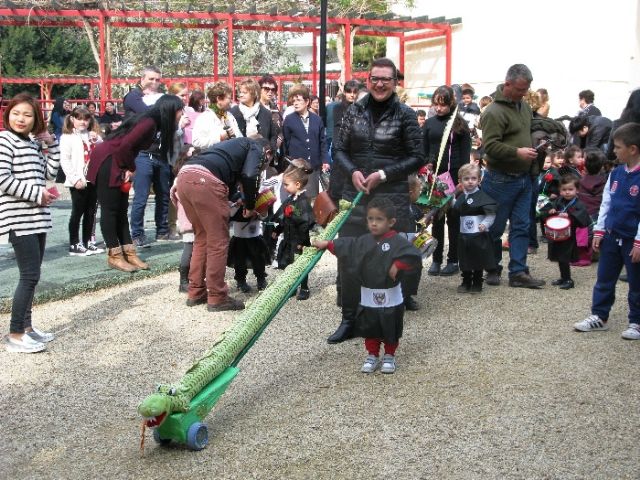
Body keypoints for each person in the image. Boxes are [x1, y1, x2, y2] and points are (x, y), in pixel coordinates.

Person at [330, 57, 425, 344]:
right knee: (348, 261)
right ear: (368, 80)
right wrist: (353, 171)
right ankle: (349, 320)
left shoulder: (406, 115)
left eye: (387, 79)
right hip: (355, 196)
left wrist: (383, 174)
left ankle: (383, 322)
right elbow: (339, 149)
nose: (380, 83)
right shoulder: (353, 110)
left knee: (386, 263)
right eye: (375, 78)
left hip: (389, 199)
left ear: (395, 82)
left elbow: (418, 156)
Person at [313, 197, 422, 374]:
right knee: (370, 326)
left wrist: (398, 265)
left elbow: (413, 256)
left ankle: (389, 355)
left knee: (390, 326)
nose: (373, 223)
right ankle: (372, 354)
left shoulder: (398, 242)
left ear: (391, 222)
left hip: (390, 295)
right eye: (370, 219)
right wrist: (327, 244)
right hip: (369, 294)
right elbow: (348, 246)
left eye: (379, 219)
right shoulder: (364, 240)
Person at [86, 94, 184, 272]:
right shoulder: (149, 123)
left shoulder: (153, 123)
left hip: (117, 160)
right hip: (108, 160)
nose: (181, 114)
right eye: (179, 110)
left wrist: (127, 167)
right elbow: (125, 146)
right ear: (170, 110)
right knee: (111, 210)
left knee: (122, 210)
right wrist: (130, 168)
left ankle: (128, 252)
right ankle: (114, 256)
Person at [174, 137, 272, 312]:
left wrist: (240, 198)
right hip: (205, 181)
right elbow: (250, 175)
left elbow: (231, 182)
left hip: (184, 177)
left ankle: (195, 291)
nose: (263, 168)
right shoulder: (256, 147)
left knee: (201, 238)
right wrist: (250, 205)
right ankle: (217, 296)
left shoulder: (229, 149)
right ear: (268, 153)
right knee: (218, 241)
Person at [0, 93, 60, 353]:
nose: (21, 119)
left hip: (37, 217)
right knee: (29, 275)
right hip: (18, 218)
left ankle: (26, 328)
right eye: (16, 113)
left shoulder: (33, 143)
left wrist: (52, 144)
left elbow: (51, 173)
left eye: (27, 114)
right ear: (8, 114)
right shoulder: (4, 140)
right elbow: (2, 179)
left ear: (36, 119)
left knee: (33, 276)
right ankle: (15, 333)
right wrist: (37, 194)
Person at [479, 63, 546, 288]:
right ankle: (492, 268)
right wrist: (517, 152)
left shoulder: (523, 107)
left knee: (521, 226)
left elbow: (528, 131)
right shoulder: (493, 112)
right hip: (500, 179)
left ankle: (518, 271)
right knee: (494, 228)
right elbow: (489, 147)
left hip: (524, 178)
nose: (524, 94)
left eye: (526, 89)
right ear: (507, 84)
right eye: (519, 89)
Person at [573, 123, 640, 339]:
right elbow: (606, 203)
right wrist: (600, 230)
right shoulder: (617, 173)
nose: (613, 151)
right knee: (604, 278)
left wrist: (639, 241)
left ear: (633, 149)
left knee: (636, 282)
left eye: (618, 147)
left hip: (632, 239)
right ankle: (600, 316)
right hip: (612, 235)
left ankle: (636, 321)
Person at [423, 85, 471, 277]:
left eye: (442, 104)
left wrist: (462, 179)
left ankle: (453, 260)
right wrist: (427, 166)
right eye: (436, 104)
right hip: (435, 178)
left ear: (451, 104)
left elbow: (465, 153)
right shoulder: (429, 123)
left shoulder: (459, 124)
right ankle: (436, 259)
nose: (439, 108)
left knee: (453, 219)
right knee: (436, 218)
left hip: (453, 176)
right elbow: (424, 149)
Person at [59, 106, 103, 256]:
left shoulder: (91, 135)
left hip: (93, 178)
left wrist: (97, 139)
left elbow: (103, 149)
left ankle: (87, 241)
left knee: (91, 212)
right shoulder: (67, 137)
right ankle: (74, 243)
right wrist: (75, 178)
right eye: (79, 119)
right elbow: (65, 160)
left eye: (86, 119)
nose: (83, 122)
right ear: (72, 119)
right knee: (77, 212)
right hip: (78, 179)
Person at [272, 159, 315, 300]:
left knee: (301, 264)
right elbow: (284, 217)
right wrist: (278, 229)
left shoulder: (303, 201)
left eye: (286, 184)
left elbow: (305, 222)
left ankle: (304, 287)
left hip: (298, 240)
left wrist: (302, 242)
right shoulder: (290, 200)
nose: (284, 187)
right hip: (289, 237)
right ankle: (292, 286)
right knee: (289, 262)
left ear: (297, 184)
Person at [452, 163, 497, 294]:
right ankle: (466, 281)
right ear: (460, 181)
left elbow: (491, 214)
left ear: (479, 180)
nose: (470, 182)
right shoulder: (460, 197)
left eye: (473, 178)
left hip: (478, 233)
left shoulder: (483, 197)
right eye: (466, 179)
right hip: (464, 234)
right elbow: (456, 207)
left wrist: (486, 224)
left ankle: (477, 282)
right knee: (464, 258)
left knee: (478, 258)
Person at [540, 175, 591, 289]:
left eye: (570, 189)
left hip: (569, 236)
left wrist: (570, 215)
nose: (567, 192)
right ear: (560, 190)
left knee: (564, 258)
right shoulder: (558, 200)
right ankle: (563, 277)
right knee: (559, 257)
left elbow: (582, 218)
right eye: (564, 190)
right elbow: (546, 210)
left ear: (577, 190)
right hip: (557, 235)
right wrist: (551, 211)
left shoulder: (578, 204)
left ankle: (568, 279)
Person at [281, 84, 329, 201]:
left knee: (312, 196)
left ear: (307, 101)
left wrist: (325, 160)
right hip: (296, 166)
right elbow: (286, 142)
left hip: (313, 164)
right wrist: (291, 159)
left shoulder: (317, 119)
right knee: (297, 199)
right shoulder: (289, 119)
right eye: (293, 100)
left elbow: (322, 141)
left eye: (298, 100)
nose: (295, 103)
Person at [229, 78, 278, 150]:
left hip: (262, 156)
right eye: (240, 92)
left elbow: (273, 135)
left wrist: (270, 151)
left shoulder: (266, 113)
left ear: (254, 94)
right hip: (239, 155)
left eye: (245, 92)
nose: (241, 95)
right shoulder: (233, 112)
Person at [192, 81, 242, 149]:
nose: (231, 101)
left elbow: (239, 137)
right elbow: (196, 142)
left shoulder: (229, 116)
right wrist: (220, 138)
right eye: (229, 98)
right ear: (218, 99)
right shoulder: (204, 118)